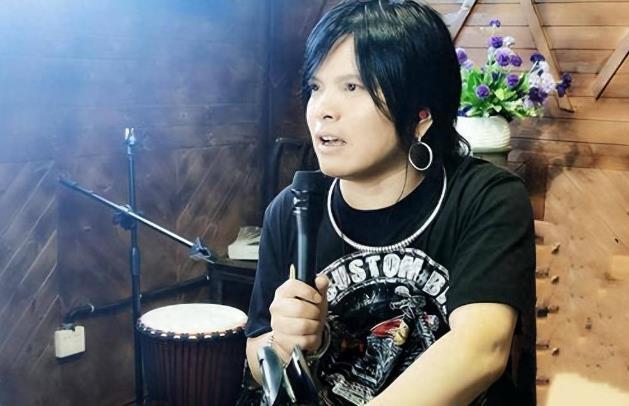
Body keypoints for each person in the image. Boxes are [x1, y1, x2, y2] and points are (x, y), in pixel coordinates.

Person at [245, 1, 536, 405]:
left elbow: (480, 349)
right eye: (315, 87)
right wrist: (285, 342)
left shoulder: (485, 197)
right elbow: (258, 354)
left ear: (421, 114)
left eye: (352, 87)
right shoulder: (291, 209)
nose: (322, 110)